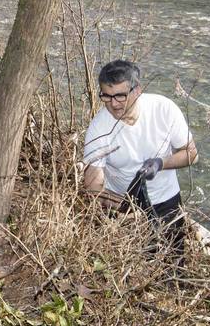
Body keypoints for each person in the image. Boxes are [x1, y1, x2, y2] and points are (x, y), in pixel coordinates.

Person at [81, 59, 197, 256]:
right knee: (134, 266)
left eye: (120, 96)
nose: (113, 104)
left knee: (174, 263)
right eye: (106, 97)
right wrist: (127, 210)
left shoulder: (164, 109)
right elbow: (93, 187)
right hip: (122, 207)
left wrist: (161, 163)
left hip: (167, 200)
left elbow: (191, 154)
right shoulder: (98, 129)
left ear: (137, 90)